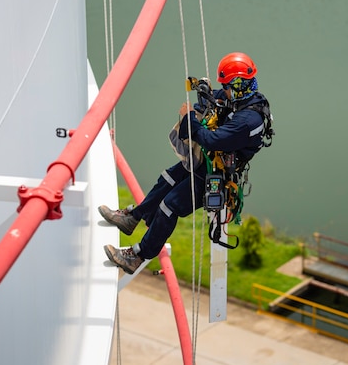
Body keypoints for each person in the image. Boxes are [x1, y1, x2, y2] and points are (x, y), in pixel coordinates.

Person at [99, 52, 273, 274]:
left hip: (216, 174)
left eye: (228, 86)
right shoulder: (245, 99)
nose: (226, 91)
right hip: (209, 163)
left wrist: (189, 117)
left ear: (239, 86)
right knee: (167, 179)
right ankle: (133, 218)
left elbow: (211, 140)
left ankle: (138, 255)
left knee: (169, 207)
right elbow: (222, 97)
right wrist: (207, 91)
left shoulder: (248, 120)